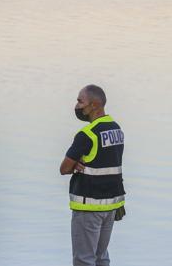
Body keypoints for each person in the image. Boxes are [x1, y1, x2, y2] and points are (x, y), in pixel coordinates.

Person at [60, 85, 126, 266]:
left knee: (84, 260)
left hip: (88, 207)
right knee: (101, 257)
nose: (77, 106)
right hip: (111, 206)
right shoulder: (116, 130)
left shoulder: (87, 134)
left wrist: (74, 165)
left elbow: (64, 168)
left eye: (80, 101)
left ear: (95, 104)